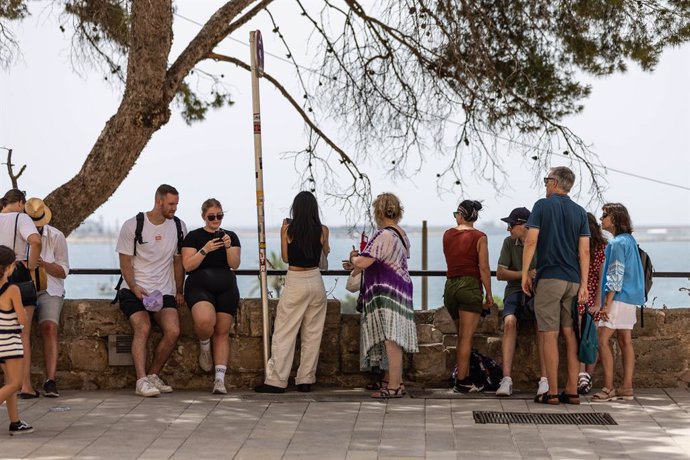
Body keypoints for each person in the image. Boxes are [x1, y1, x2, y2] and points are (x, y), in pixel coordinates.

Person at [522, 166, 590, 405]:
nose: (544, 184)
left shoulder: (542, 205)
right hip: (573, 281)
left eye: (546, 179)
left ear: (554, 182)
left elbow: (531, 242)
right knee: (570, 334)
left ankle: (551, 392)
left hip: (550, 277)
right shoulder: (580, 212)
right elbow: (584, 251)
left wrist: (524, 273)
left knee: (549, 335)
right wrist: (584, 284)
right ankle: (572, 390)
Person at [115, 184, 187, 397]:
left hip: (163, 290)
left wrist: (179, 290)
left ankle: (153, 375)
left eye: (176, 204)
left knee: (173, 331)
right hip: (134, 289)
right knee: (143, 327)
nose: (174, 208)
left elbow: (178, 262)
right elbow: (125, 262)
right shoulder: (133, 225)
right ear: (159, 201)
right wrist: (135, 287)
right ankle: (141, 380)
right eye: (171, 204)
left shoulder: (178, 227)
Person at [255, 191, 329, 394]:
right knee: (312, 334)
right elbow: (323, 258)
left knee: (284, 331)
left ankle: (277, 380)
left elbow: (286, 259)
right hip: (316, 280)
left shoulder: (288, 229)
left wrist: (283, 232)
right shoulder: (323, 230)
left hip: (296, 280)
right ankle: (305, 379)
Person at [348, 193, 417, 398]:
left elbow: (362, 262)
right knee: (393, 337)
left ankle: (394, 387)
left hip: (387, 291)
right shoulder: (401, 234)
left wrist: (353, 257)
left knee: (391, 339)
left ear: (378, 211)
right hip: (401, 288)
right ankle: (396, 382)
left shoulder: (383, 235)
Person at [181, 198, 241, 394]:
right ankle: (204, 345)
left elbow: (235, 264)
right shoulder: (193, 236)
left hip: (226, 288)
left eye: (219, 216)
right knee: (205, 322)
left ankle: (219, 380)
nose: (216, 220)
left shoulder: (230, 236)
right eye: (212, 216)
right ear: (203, 217)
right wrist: (205, 249)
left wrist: (228, 246)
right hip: (199, 286)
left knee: (222, 332)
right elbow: (188, 265)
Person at [592, 203, 645, 402]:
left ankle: (608, 388)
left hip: (618, 298)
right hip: (630, 298)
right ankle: (627, 387)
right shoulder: (629, 241)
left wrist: (607, 304)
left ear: (614, 219)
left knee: (602, 339)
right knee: (625, 341)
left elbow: (615, 274)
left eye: (604, 215)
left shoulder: (615, 244)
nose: (601, 219)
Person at [494, 207, 547, 397]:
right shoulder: (509, 243)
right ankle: (506, 378)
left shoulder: (543, 243)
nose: (508, 229)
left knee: (543, 327)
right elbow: (500, 273)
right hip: (515, 291)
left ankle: (545, 379)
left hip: (538, 292)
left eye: (511, 225)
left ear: (525, 225)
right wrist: (524, 274)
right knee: (509, 323)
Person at [443, 200, 494, 393]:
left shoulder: (447, 234)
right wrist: (488, 294)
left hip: (450, 288)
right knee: (466, 338)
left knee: (460, 336)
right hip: (469, 286)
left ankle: (461, 374)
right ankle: (462, 380)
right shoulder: (480, 237)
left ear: (461, 215)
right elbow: (484, 267)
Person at [23, 198, 69, 398]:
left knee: (49, 328)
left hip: (50, 288)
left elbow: (63, 271)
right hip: (24, 289)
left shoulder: (56, 236)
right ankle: (22, 382)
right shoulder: (19, 235)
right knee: (20, 332)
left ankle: (51, 380)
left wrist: (42, 264)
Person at [0, 189, 41, 399]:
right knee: (22, 333)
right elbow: (35, 241)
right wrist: (32, 265)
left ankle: (9, 385)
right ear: (20, 203)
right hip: (18, 274)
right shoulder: (21, 217)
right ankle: (25, 386)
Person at [0, 245, 34, 435]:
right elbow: (22, 318)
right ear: (9, 267)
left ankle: (15, 422)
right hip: (10, 342)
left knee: (9, 381)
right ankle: (15, 421)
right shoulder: (12, 289)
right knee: (16, 383)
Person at [576, 212, 607, 395]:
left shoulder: (601, 248)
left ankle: (586, 375)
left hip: (592, 297)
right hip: (582, 295)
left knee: (589, 337)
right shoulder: (582, 246)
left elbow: (602, 278)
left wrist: (597, 303)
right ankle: (583, 375)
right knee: (583, 337)